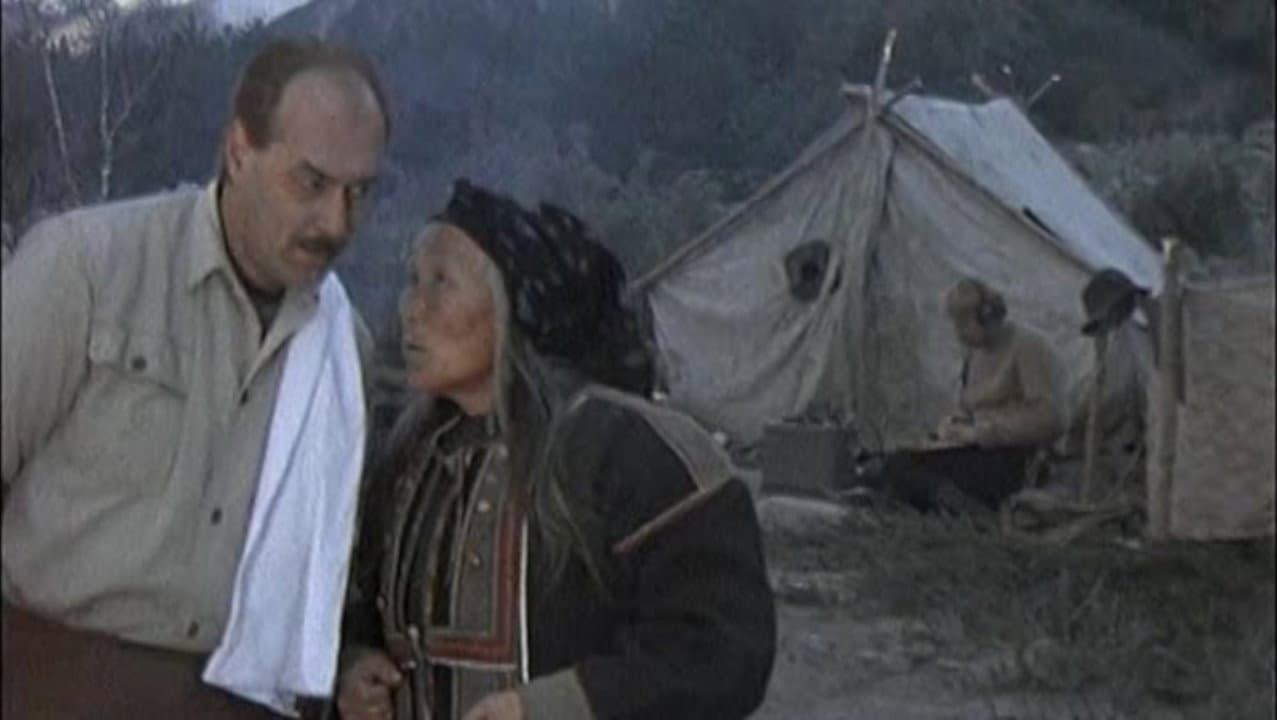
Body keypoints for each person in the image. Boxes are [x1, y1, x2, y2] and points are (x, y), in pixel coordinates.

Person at [2, 38, 390, 718]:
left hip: (240, 700)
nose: (336, 222)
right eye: (311, 183)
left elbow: (328, 568)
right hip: (52, 680)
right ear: (238, 151)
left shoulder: (340, 350)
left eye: (358, 192)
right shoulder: (85, 269)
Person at [335, 180, 776, 720]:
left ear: (510, 306)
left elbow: (722, 650)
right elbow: (358, 601)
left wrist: (552, 706)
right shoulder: (407, 457)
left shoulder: (627, 452)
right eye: (412, 280)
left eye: (441, 282)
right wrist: (353, 663)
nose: (410, 309)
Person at [881, 278, 1065, 513]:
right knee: (895, 462)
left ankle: (968, 509)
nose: (959, 334)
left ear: (986, 316)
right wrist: (954, 425)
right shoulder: (975, 355)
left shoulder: (1027, 346)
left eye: (963, 323)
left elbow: (1050, 419)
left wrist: (983, 432)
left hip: (1014, 459)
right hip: (978, 451)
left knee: (903, 469)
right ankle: (949, 501)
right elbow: (970, 409)